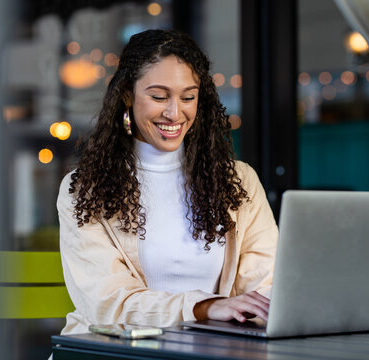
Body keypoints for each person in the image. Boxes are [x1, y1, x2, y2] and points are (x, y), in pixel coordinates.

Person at [57, 29, 278, 335]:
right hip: (114, 352)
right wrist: (204, 307)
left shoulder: (239, 181)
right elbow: (107, 304)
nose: (175, 113)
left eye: (188, 97)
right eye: (159, 96)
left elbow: (264, 289)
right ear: (126, 95)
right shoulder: (84, 188)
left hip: (210, 352)